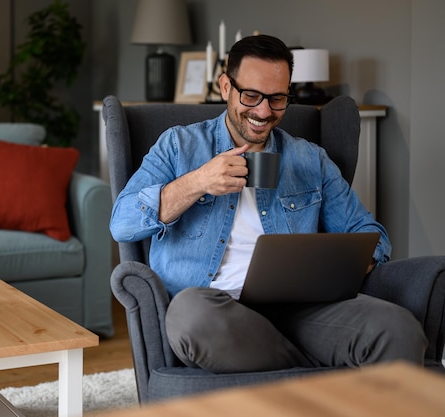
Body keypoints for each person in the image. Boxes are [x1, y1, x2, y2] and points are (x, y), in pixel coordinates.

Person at [110, 34, 427, 373]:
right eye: (252, 96)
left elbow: (368, 233)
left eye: (277, 99)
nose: (264, 111)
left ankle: (295, 376)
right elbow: (123, 223)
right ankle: (318, 377)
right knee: (191, 316)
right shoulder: (178, 145)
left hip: (302, 308)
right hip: (214, 305)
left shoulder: (309, 159)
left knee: (397, 327)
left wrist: (351, 261)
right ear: (226, 87)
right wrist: (198, 181)